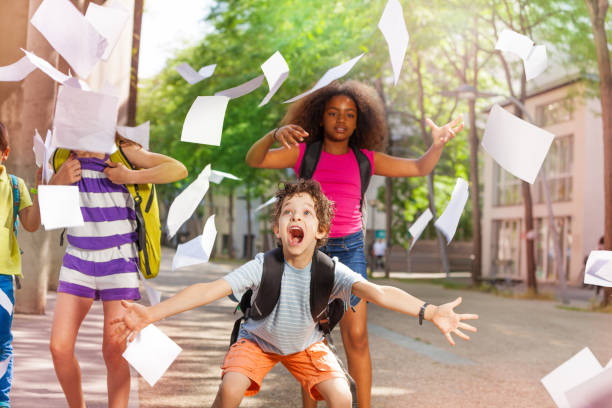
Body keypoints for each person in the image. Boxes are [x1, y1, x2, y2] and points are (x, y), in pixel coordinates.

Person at [112, 179, 478, 408]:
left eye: (306, 213)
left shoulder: (332, 270)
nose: (296, 218)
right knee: (232, 388)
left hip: (306, 344)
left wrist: (429, 311)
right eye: (288, 212)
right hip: (257, 340)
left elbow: (379, 292)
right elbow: (210, 289)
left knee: (340, 397)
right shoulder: (263, 265)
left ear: (320, 230)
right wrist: (149, 314)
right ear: (278, 228)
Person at [245, 80, 463, 407]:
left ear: (359, 122)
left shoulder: (367, 161)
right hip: (308, 252)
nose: (341, 119)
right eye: (333, 113)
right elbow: (255, 160)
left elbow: (420, 167)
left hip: (350, 251)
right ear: (321, 118)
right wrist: (274, 135)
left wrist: (437, 144)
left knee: (357, 336)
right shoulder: (304, 153)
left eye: (349, 114)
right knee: (310, 339)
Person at [49, 135, 187, 408]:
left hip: (119, 261)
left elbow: (178, 169)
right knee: (59, 347)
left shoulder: (122, 152)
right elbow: (49, 214)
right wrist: (57, 181)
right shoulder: (61, 155)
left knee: (115, 351)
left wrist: (128, 176)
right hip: (77, 260)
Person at [0, 122, 41, 407]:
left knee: (1, 342)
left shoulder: (16, 185)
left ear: (5, 152)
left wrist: (43, 189)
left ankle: (2, 401)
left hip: (3, 277)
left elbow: (31, 224)